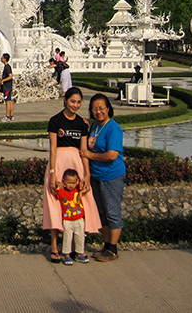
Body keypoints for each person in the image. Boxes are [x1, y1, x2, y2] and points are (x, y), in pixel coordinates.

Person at [43, 86, 101, 263]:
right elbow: (53, 148)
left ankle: (77, 247)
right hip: (59, 161)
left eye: (78, 102)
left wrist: (87, 175)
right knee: (54, 203)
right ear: (65, 101)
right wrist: (53, 173)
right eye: (72, 101)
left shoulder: (82, 124)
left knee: (80, 200)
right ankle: (55, 246)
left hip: (76, 163)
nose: (75, 105)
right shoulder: (55, 121)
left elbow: (83, 150)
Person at [81, 93, 126, 262]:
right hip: (97, 175)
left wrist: (90, 155)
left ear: (108, 109)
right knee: (102, 211)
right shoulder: (95, 126)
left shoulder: (113, 128)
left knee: (112, 211)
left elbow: (112, 155)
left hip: (111, 175)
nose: (98, 111)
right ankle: (107, 245)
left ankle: (113, 249)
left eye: (101, 108)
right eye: (94, 109)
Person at [56, 168, 89, 265]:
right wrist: (58, 184)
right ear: (64, 181)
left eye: (73, 182)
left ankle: (79, 253)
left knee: (80, 236)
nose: (71, 185)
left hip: (79, 218)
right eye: (69, 182)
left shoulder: (78, 188)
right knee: (67, 237)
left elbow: (88, 188)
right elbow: (54, 190)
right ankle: (67, 255)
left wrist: (80, 192)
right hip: (67, 219)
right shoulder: (62, 191)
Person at [0, 53, 14, 122]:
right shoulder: (7, 67)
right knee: (9, 101)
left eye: (2, 57)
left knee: (7, 102)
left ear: (5, 59)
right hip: (8, 86)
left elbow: (10, 76)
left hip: (7, 87)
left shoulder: (7, 67)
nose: (1, 58)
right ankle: (11, 116)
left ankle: (7, 116)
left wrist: (3, 80)